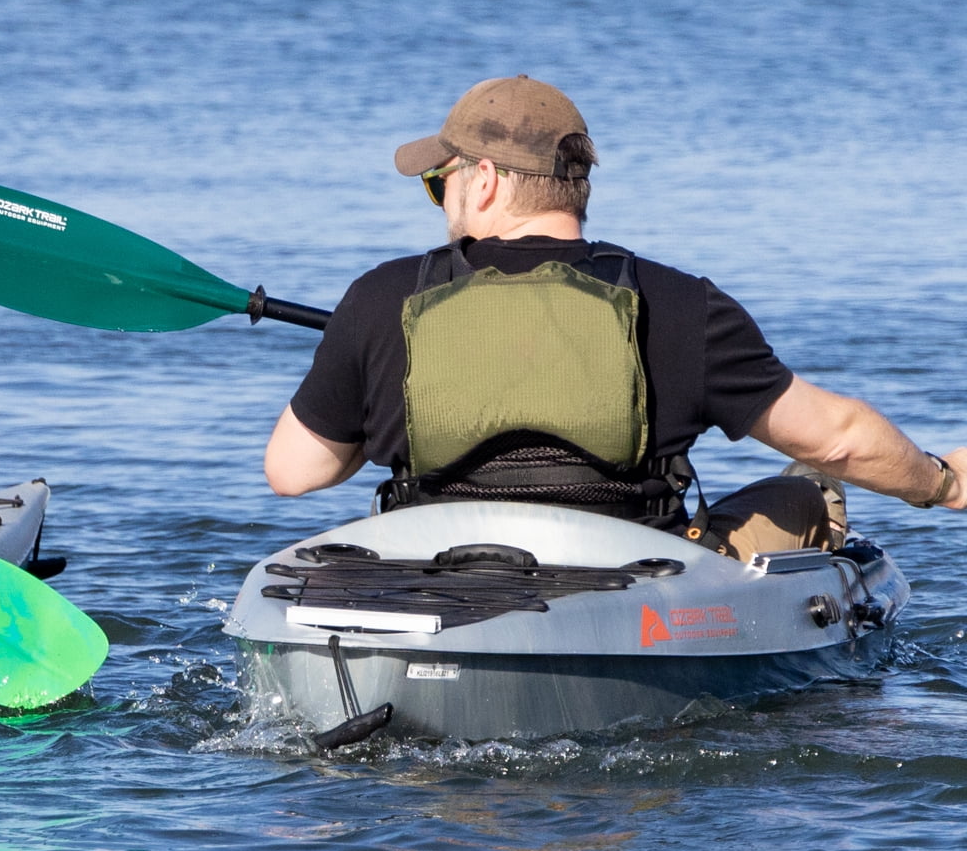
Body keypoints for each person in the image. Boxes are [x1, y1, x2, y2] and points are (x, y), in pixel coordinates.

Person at [265, 76, 966, 555]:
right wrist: (943, 482)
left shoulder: (383, 298)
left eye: (435, 183)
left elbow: (294, 472)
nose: (437, 198)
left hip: (439, 584)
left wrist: (371, 382)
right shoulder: (685, 304)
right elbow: (837, 439)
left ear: (482, 181)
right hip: (629, 587)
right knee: (813, 485)